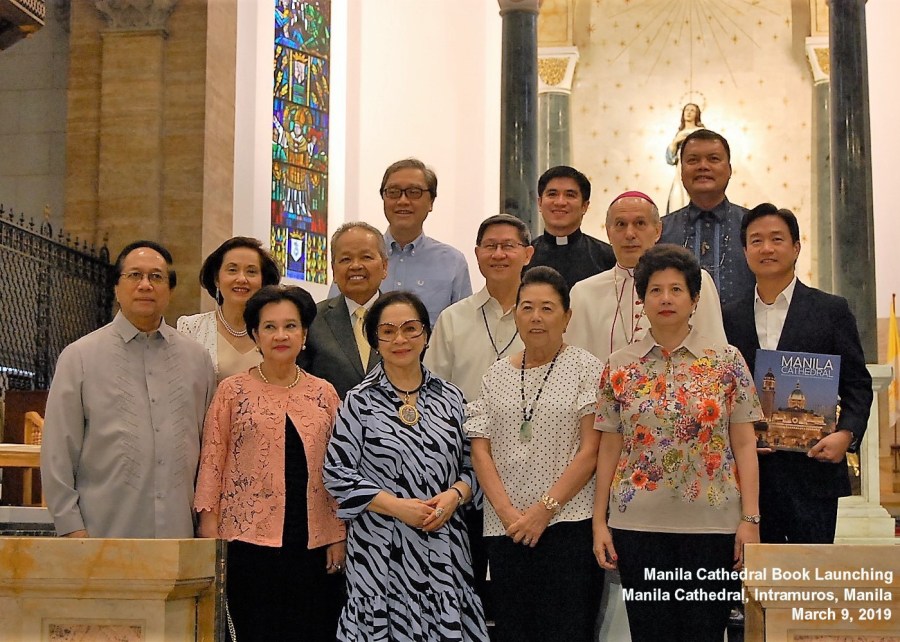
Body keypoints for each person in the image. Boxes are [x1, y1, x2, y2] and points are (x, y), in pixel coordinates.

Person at [593, 244, 761, 642]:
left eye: (676, 289)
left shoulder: (726, 361)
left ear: (694, 299)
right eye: (655, 290)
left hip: (713, 526)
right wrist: (600, 521)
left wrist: (750, 520)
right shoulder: (619, 364)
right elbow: (610, 447)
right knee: (650, 633)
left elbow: (744, 445)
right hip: (637, 525)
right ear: (642, 300)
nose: (665, 299)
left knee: (705, 633)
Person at [324, 291, 488, 641]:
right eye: (388, 331)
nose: (400, 339)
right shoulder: (358, 401)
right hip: (379, 547)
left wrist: (454, 497)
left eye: (411, 328)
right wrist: (398, 508)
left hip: (443, 542)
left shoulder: (452, 398)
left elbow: (474, 465)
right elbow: (337, 474)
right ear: (375, 341)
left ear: (426, 334)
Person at [194, 285, 345, 641]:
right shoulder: (232, 391)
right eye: (270, 327)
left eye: (290, 326)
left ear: (304, 334)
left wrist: (338, 533)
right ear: (255, 335)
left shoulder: (324, 393)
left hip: (312, 540)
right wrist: (210, 531)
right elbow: (213, 459)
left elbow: (340, 468)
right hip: (246, 539)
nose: (281, 335)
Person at [41, 240, 216, 538]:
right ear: (116, 288)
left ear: (170, 290)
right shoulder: (80, 357)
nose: (145, 285)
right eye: (135, 275)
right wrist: (71, 528)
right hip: (102, 534)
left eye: (156, 277)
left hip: (179, 537)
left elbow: (209, 452)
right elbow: (58, 451)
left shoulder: (197, 359)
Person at [466, 266, 603, 642]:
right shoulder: (495, 374)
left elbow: (591, 450)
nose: (536, 317)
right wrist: (508, 513)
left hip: (567, 524)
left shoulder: (586, 368)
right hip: (506, 528)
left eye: (547, 308)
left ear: (567, 316)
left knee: (567, 630)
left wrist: (543, 511)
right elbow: (481, 449)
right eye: (527, 308)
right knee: (513, 629)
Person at [722, 203, 872, 544]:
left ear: (796, 247)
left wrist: (846, 435)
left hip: (813, 472)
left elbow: (857, 385)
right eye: (756, 240)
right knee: (755, 572)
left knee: (808, 571)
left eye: (777, 239)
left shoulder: (831, 310)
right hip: (748, 477)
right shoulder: (728, 317)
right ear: (745, 251)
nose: (767, 248)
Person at [424, 212, 534, 603]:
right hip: (463, 471)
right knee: (463, 587)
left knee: (518, 593)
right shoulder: (453, 319)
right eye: (490, 246)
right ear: (477, 254)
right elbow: (433, 395)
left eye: (509, 246)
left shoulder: (543, 317)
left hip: (528, 472)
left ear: (528, 254)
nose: (499, 254)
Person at [567, 191, 726, 365]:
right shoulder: (584, 292)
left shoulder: (696, 280)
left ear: (658, 230)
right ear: (608, 232)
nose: (629, 234)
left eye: (640, 223)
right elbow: (574, 364)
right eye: (620, 224)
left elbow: (716, 354)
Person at [328, 158, 472, 324]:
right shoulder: (356, 258)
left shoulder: (452, 263)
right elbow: (331, 319)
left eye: (414, 192)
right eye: (393, 192)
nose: (403, 201)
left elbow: (463, 328)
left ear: (431, 202)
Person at [658, 129, 755, 307]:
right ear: (681, 170)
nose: (703, 166)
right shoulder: (660, 231)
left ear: (730, 170)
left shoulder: (754, 226)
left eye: (713, 159)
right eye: (693, 160)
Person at [177, 236, 281, 382]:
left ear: (263, 281)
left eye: (251, 272)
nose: (242, 279)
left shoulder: (277, 331)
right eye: (232, 270)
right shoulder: (191, 328)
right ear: (216, 279)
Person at [305, 222, 388, 398]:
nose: (356, 265)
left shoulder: (403, 319)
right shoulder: (312, 319)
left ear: (384, 266)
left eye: (366, 257)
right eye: (345, 259)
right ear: (333, 270)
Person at [530, 165, 615, 287]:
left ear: (584, 206)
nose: (560, 202)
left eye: (570, 195)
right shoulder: (524, 257)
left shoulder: (608, 258)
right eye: (552, 194)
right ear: (539, 203)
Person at [665, 103, 705, 214]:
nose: (689, 113)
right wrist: (675, 142)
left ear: (697, 114)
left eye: (692, 110)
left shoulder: (700, 131)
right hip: (681, 168)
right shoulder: (679, 133)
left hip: (695, 166)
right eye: (687, 110)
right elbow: (670, 159)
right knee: (678, 194)